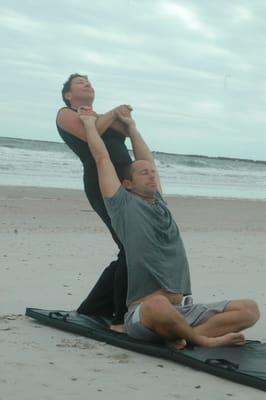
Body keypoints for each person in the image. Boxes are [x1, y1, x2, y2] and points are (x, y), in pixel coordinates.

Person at [77, 106, 260, 348]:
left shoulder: (160, 203)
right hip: (146, 314)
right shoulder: (122, 205)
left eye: (153, 173)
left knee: (250, 309)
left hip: (183, 310)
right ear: (127, 184)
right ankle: (203, 340)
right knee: (158, 304)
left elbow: (146, 158)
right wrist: (90, 125)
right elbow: (101, 158)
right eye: (144, 173)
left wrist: (132, 127)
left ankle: (185, 337)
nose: (152, 175)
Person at [56, 73, 132, 330]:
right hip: (101, 180)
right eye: (80, 82)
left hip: (127, 177)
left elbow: (127, 130)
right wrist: (112, 114)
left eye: (88, 81)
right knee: (129, 244)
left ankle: (94, 307)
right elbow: (92, 136)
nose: (87, 83)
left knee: (132, 245)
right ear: (68, 94)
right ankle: (120, 315)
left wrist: (123, 115)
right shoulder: (65, 113)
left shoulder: (98, 116)